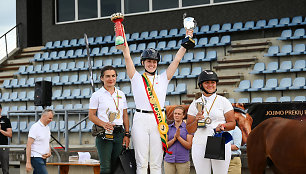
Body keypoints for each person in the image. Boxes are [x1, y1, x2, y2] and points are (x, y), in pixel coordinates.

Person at [122, 27, 193, 173]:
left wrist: (185, 42)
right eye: (148, 61)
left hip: (158, 120)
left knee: (156, 162)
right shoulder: (136, 78)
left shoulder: (163, 78)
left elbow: (177, 60)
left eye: (154, 62)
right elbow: (127, 57)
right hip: (140, 119)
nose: (152, 64)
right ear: (143, 62)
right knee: (141, 162)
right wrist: (121, 32)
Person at [186, 70, 235, 174]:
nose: (210, 85)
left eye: (213, 82)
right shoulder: (195, 104)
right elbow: (189, 129)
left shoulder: (223, 101)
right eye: (207, 82)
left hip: (218, 141)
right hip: (200, 143)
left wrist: (223, 126)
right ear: (201, 85)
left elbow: (232, 123)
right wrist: (196, 120)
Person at [89, 65, 130, 174]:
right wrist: (103, 124)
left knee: (118, 166)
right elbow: (91, 115)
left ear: (116, 77)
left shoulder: (121, 94)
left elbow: (125, 115)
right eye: (107, 76)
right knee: (106, 168)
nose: (111, 79)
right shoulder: (96, 95)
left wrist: (127, 134)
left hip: (119, 133)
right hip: (104, 133)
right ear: (102, 78)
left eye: (113, 76)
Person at [164, 106, 193, 174]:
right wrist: (174, 139)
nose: (176, 115)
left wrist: (179, 138)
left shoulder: (188, 128)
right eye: (175, 113)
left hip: (183, 161)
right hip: (169, 161)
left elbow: (189, 146)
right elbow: (165, 146)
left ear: (183, 116)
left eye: (179, 114)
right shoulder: (168, 128)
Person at [26, 109, 54, 174]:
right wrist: (28, 162)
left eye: (52, 118)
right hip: (36, 157)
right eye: (50, 118)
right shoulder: (35, 127)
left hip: (43, 157)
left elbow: (47, 141)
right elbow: (28, 144)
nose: (51, 120)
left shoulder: (47, 127)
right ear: (44, 116)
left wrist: (49, 152)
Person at [0, 104, 12, 174]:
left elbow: (10, 134)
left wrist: (1, 130)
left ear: (0, 109)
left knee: (5, 169)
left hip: (3, 146)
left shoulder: (6, 120)